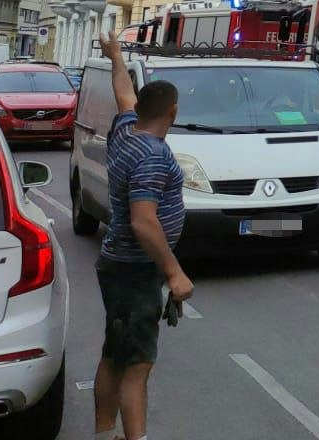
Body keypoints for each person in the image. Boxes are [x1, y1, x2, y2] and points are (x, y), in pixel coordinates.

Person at [92, 35, 191, 440]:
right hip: (134, 270)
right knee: (136, 366)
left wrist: (117, 56)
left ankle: (104, 433)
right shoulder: (152, 153)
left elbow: (123, 94)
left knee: (115, 354)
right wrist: (174, 273)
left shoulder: (126, 131)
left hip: (119, 265)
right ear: (173, 112)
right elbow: (143, 221)